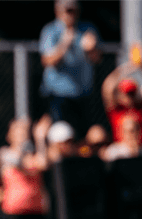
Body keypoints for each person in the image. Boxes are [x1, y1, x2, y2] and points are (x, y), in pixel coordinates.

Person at [39, 0, 101, 137]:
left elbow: (97, 59)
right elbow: (47, 61)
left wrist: (91, 50)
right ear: (58, 11)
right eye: (67, 10)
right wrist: (64, 44)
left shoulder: (87, 29)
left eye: (73, 10)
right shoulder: (51, 31)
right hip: (57, 94)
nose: (71, 14)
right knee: (60, 134)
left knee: (83, 135)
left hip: (83, 94)